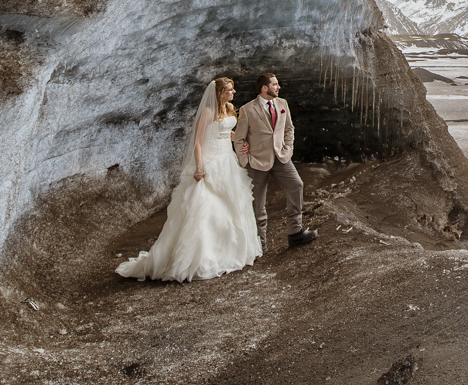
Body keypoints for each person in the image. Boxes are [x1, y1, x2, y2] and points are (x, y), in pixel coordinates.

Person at [115, 76, 262, 281]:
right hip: (210, 161)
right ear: (219, 93)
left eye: (232, 89)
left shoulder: (229, 108)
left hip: (227, 160)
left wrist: (241, 140)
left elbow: (227, 133)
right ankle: (202, 257)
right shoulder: (208, 111)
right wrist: (200, 166)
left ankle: (232, 250)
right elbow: (198, 142)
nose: (233, 92)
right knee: (204, 207)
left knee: (234, 204)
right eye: (229, 90)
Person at [233, 72, 317, 248]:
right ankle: (259, 244)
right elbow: (239, 138)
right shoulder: (247, 109)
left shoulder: (282, 104)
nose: (278, 87)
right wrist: (245, 160)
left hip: (281, 158)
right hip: (256, 161)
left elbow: (289, 129)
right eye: (275, 85)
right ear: (264, 88)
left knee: (296, 185)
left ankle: (295, 233)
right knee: (258, 203)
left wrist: (288, 149)